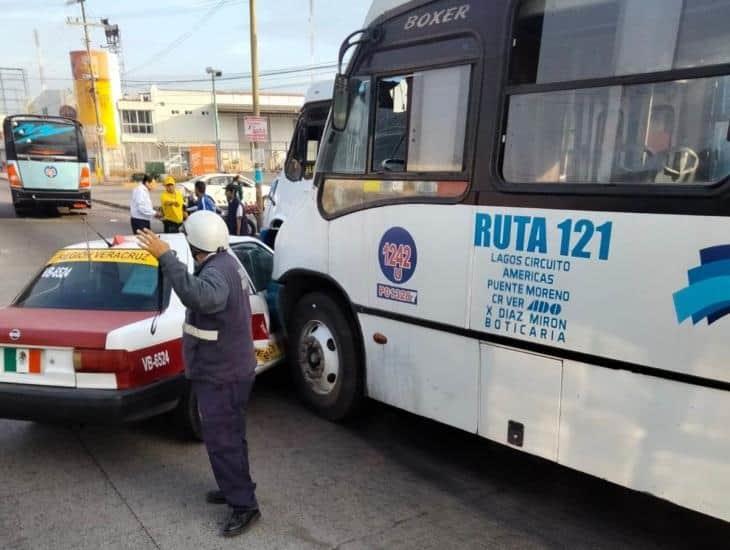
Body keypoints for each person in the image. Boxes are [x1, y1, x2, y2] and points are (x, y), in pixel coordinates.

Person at [136, 212, 260, 538]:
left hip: (222, 375)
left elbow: (201, 296)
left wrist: (165, 256)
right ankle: (237, 486)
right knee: (231, 437)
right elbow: (197, 286)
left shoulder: (218, 273)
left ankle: (244, 505)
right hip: (227, 370)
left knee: (222, 440)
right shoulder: (223, 260)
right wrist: (170, 257)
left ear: (197, 246)